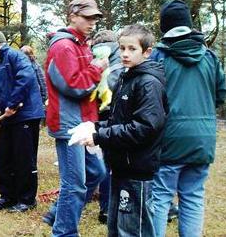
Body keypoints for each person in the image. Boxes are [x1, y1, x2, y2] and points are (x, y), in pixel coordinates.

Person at [72, 24, 168, 237]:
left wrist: (99, 136)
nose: (125, 54)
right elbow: (119, 120)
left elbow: (144, 128)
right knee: (116, 228)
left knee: (133, 230)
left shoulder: (148, 83)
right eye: (122, 48)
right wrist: (94, 126)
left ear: (147, 52)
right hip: (120, 166)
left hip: (137, 170)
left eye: (132, 49)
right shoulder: (127, 77)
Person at [150, 0, 226, 237]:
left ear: (165, 26)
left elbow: (149, 98)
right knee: (193, 196)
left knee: (161, 197)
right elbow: (220, 94)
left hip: (169, 138)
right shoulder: (210, 57)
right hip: (202, 139)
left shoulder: (159, 57)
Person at [42, 0, 108, 236]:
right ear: (72, 17)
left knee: (96, 173)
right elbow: (74, 85)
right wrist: (98, 69)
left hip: (82, 122)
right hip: (68, 124)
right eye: (87, 17)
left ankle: (55, 214)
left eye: (95, 18)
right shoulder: (63, 46)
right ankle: (64, 232)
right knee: (74, 184)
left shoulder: (81, 45)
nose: (92, 23)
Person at [0, 29, 45, 213]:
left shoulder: (16, 56)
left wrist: (13, 103)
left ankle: (26, 199)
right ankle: (8, 196)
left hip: (26, 115)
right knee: (3, 157)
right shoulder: (0, 64)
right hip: (9, 118)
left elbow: (25, 79)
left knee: (23, 159)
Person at [90, 30, 124, 224]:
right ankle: (119, 206)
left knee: (104, 162)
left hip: (99, 116)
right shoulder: (124, 56)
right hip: (121, 114)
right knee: (119, 163)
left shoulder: (91, 57)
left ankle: (105, 209)